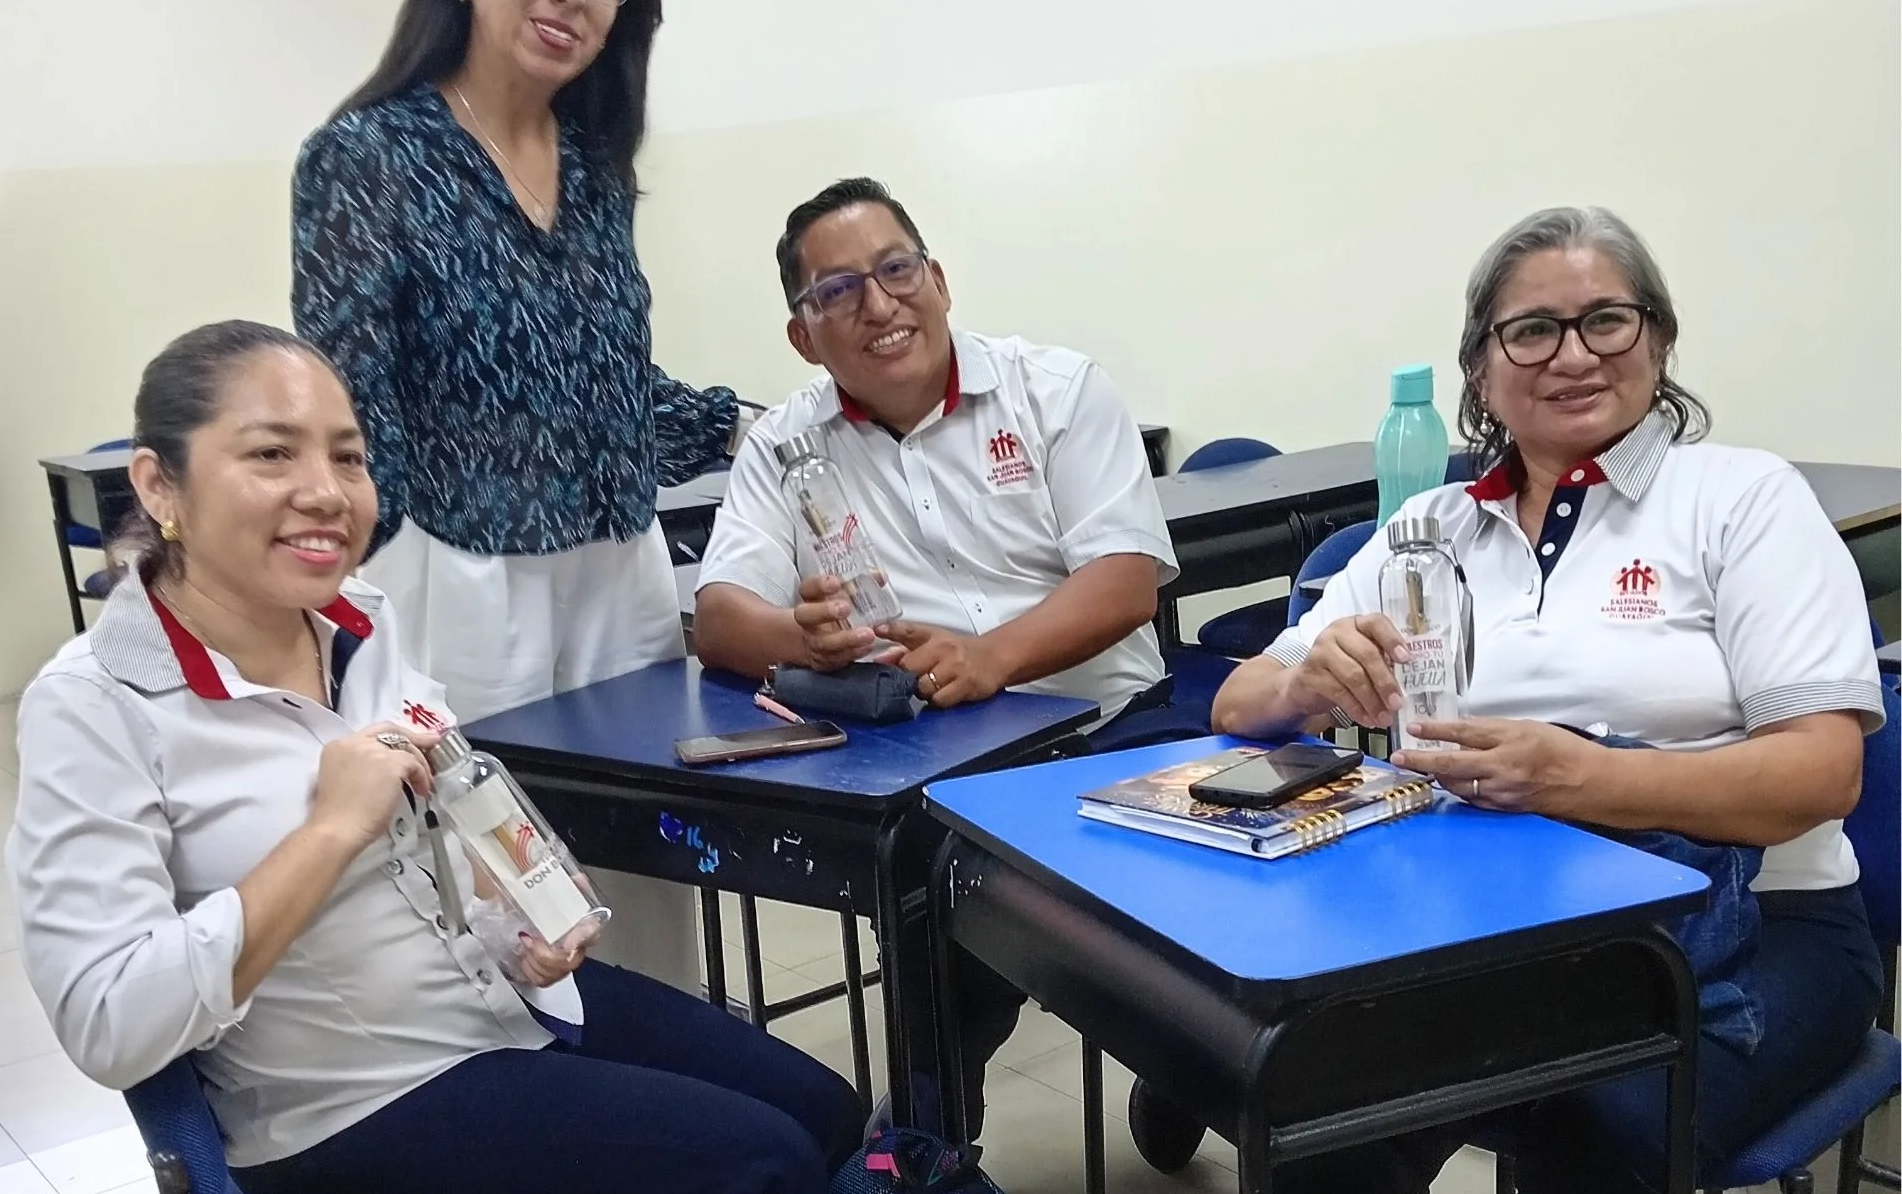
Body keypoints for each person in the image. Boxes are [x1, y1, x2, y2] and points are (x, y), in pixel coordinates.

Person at [8, 321, 863, 1194]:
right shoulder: (96, 706)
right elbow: (110, 1025)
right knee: (765, 1163)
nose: (326, 492)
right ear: (160, 485)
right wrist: (330, 831)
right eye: (271, 454)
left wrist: (520, 921)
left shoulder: (360, 620)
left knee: (827, 1112)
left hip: (508, 1007)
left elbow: (451, 826)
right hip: (351, 1102)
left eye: (349, 458)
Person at [1211, 206, 1884, 1193]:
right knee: (1319, 1115)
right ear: (1480, 370)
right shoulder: (1429, 525)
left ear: (1658, 339)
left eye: (1606, 319)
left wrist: (1582, 778)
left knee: (1595, 1131)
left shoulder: (1743, 499)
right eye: (1531, 330)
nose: (1573, 354)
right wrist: (1306, 683)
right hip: (1485, 919)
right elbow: (1237, 705)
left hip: (1758, 925)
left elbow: (1822, 774)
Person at [292, 0, 750, 986]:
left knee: (644, 882)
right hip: (463, 576)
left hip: (619, 574)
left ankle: (664, 1076)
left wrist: (744, 425)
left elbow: (606, 383)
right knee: (495, 897)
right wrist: (390, 579)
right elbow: (350, 403)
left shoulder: (596, 169)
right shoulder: (367, 156)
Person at [691, 177, 1205, 1133]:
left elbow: (1127, 580)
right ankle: (932, 1131)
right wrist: (804, 638)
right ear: (804, 335)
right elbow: (719, 617)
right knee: (938, 883)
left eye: (896, 270)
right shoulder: (783, 445)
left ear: (937, 279)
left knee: (1164, 893)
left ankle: (1184, 1066)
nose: (879, 305)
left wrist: (994, 656)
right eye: (838, 290)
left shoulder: (1057, 390)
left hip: (1115, 721)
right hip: (938, 750)